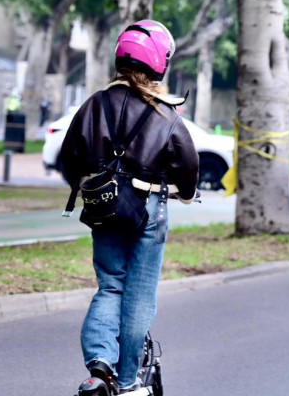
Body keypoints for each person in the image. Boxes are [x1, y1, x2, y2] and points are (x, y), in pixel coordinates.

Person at [60, 20, 199, 395]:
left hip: (103, 206)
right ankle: (127, 382)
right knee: (138, 296)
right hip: (148, 209)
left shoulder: (94, 104)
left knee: (110, 286)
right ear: (159, 64)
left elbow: (69, 159)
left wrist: (87, 182)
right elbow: (187, 164)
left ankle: (99, 368)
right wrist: (186, 192)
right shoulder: (165, 114)